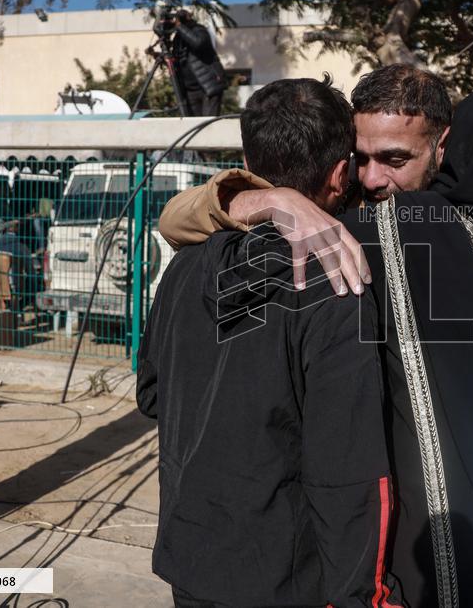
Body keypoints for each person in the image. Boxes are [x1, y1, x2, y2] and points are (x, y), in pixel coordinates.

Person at [159, 72, 473, 606]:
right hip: (407, 535)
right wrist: (268, 200)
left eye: (395, 160)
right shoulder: (339, 229)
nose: (372, 179)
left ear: (442, 146)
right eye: (361, 158)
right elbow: (180, 222)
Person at [135, 77, 401, 607]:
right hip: (286, 578)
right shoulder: (337, 278)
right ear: (339, 172)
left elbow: (152, 394)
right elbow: (346, 471)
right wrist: (363, 597)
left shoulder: (185, 264)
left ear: (249, 159)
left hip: (192, 559)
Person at [169, 9, 229, 117]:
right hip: (189, 90)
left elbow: (198, 43)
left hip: (208, 86)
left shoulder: (199, 30)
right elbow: (176, 60)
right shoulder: (178, 38)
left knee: (207, 126)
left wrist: (179, 26)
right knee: (193, 126)